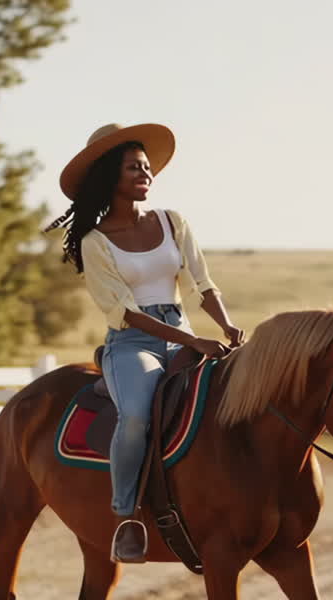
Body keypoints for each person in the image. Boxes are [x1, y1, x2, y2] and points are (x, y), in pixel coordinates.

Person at [46, 123, 245, 563]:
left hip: (184, 331)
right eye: (134, 168)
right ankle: (126, 517)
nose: (146, 174)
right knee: (135, 417)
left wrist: (228, 329)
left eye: (147, 167)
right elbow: (125, 313)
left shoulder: (174, 222)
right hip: (132, 343)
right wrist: (193, 341)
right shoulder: (94, 242)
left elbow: (203, 284)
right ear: (109, 178)